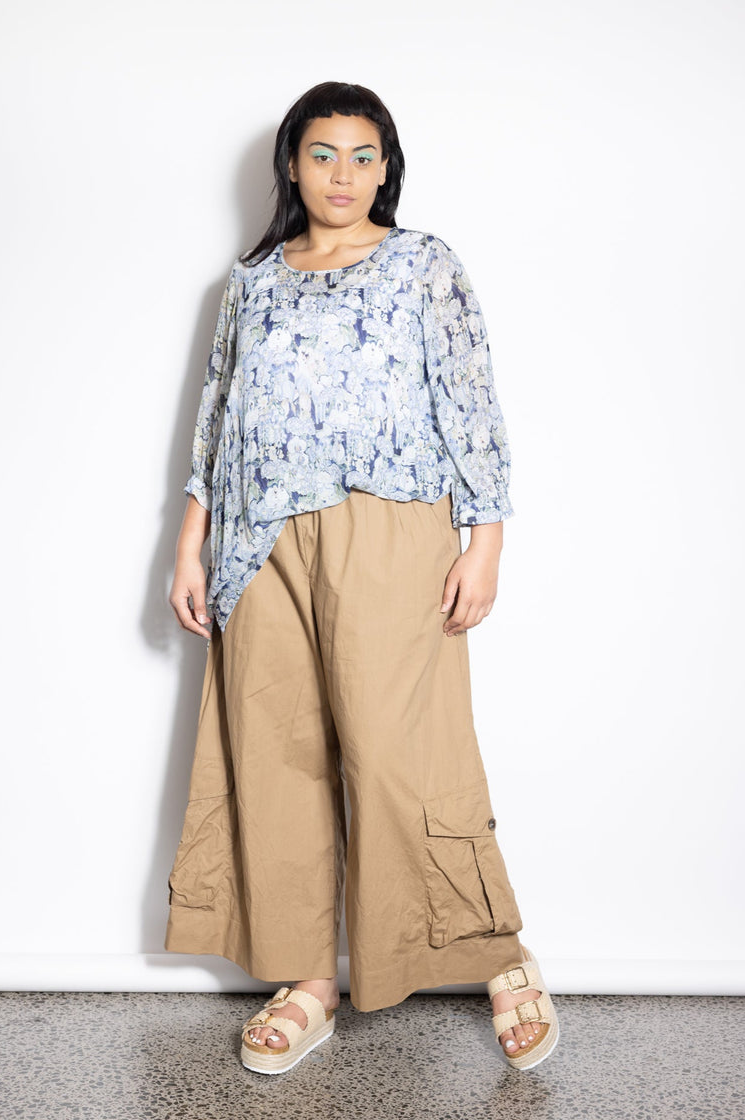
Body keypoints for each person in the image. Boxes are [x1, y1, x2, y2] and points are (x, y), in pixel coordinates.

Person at [165, 80, 559, 1075]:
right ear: (291, 166)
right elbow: (217, 416)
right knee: (276, 755)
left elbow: (469, 397)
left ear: (386, 168)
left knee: (398, 752)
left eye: (362, 154)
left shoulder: (423, 264)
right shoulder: (250, 281)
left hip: (389, 523)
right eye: (322, 153)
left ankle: (496, 953)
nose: (342, 174)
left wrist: (485, 538)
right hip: (258, 539)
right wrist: (189, 543)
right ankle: (307, 980)